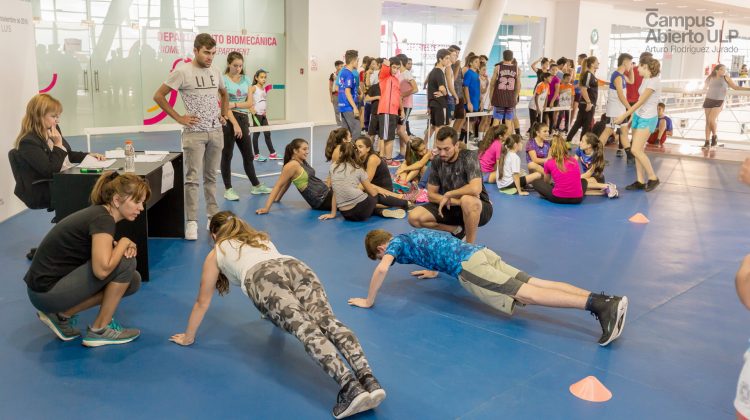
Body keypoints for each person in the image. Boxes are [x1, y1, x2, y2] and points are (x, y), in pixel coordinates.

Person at [170, 212, 386, 419]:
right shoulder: (259, 239)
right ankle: (369, 379)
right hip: (296, 266)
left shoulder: (217, 250)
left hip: (262, 278)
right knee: (328, 321)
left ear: (215, 234)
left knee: (307, 330)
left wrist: (188, 337)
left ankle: (351, 388)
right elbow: (279, 276)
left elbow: (202, 301)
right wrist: (271, 313)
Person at [353, 228, 629, 347]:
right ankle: (604, 299)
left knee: (527, 294)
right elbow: (442, 242)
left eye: (380, 253)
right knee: (534, 281)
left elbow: (381, 268)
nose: (384, 258)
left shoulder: (393, 246)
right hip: (481, 252)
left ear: (380, 247)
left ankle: (601, 308)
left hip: (471, 267)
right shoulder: (411, 236)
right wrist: (433, 268)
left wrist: (369, 300)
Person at [25, 172, 148, 346]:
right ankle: (100, 329)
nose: (141, 208)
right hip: (45, 293)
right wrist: (124, 242)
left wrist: (118, 246)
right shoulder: (103, 219)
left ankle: (61, 315)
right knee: (126, 262)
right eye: (136, 201)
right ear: (117, 200)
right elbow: (102, 270)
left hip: (43, 288)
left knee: (132, 280)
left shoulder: (100, 215)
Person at [153, 33, 235, 240]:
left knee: (211, 176)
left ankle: (212, 217)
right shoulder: (182, 71)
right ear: (196, 50)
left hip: (216, 131)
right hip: (194, 133)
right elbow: (159, 96)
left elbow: (224, 94)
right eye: (206, 53)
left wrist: (224, 114)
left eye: (213, 53)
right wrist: (179, 117)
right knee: (192, 179)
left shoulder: (216, 71)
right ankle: (191, 221)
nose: (210, 57)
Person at [13, 94, 105, 211]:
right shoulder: (28, 142)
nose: (58, 120)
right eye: (54, 116)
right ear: (38, 116)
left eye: (58, 116)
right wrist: (57, 144)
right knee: (97, 190)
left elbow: (67, 154)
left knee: (101, 184)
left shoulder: (52, 130)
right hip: (49, 187)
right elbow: (50, 171)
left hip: (65, 179)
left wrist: (88, 155)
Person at [407, 126, 492, 244]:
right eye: (439, 148)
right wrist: (456, 201)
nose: (442, 153)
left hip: (479, 207)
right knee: (414, 217)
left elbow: (475, 189)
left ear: (456, 145)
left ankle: (470, 246)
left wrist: (449, 194)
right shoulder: (437, 161)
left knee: (468, 200)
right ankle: (458, 230)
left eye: (446, 149)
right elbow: (431, 195)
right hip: (450, 205)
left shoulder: (469, 157)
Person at [220, 52, 271, 200]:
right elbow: (224, 106)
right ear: (229, 64)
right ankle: (228, 189)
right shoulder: (223, 80)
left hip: (243, 119)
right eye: (235, 65)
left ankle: (256, 186)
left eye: (240, 65)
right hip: (228, 121)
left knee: (248, 155)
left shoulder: (247, 79)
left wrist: (235, 104)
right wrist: (234, 123)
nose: (238, 68)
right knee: (227, 155)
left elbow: (249, 103)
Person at [321, 142, 410, 222]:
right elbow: (372, 193)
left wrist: (333, 214)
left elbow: (336, 192)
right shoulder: (358, 169)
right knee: (377, 196)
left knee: (367, 202)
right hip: (361, 213)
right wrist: (378, 191)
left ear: (340, 153)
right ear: (355, 154)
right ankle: (405, 203)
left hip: (346, 214)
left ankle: (380, 212)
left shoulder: (333, 167)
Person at [615, 57, 663, 192]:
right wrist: (632, 118)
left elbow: (641, 102)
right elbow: (639, 102)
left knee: (635, 149)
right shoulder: (645, 80)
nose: (637, 69)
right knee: (638, 151)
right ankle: (640, 181)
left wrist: (624, 116)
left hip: (648, 119)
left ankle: (653, 178)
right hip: (639, 116)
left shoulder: (654, 82)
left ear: (646, 67)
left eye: (640, 66)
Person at [256, 139, 332, 215]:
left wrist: (278, 198)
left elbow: (288, 182)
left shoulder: (302, 160)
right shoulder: (291, 165)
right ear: (295, 151)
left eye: (308, 149)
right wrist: (266, 208)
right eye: (304, 149)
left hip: (326, 192)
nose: (307, 151)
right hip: (320, 200)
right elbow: (278, 186)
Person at [702, 63, 750, 149]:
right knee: (707, 122)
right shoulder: (710, 77)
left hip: (719, 100)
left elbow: (736, 87)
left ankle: (715, 136)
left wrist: (748, 89)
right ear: (717, 70)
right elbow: (704, 88)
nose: (725, 71)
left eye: (725, 69)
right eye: (723, 69)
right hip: (708, 99)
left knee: (711, 119)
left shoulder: (726, 77)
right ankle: (707, 141)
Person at [531, 135, 587, 204]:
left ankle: (555, 192)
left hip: (559, 198)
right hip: (577, 199)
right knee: (584, 181)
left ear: (551, 149)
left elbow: (546, 181)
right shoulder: (573, 160)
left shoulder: (548, 162)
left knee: (536, 182)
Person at [599, 53, 634, 159]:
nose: (631, 64)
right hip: (614, 109)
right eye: (630, 62)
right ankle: (597, 155)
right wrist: (630, 108)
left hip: (620, 109)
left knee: (624, 131)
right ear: (625, 62)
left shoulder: (622, 76)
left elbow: (632, 81)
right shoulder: (617, 76)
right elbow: (620, 95)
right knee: (608, 131)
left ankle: (629, 156)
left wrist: (631, 69)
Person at [377, 57, 404, 164]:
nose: (395, 70)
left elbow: (398, 97)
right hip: (386, 111)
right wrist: (387, 64)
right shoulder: (384, 77)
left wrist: (401, 110)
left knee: (391, 137)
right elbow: (385, 67)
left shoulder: (396, 80)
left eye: (397, 68)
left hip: (393, 112)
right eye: (393, 67)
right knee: (385, 137)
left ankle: (388, 159)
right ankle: (384, 159)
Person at [566, 56, 600, 143]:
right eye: (597, 62)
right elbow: (583, 89)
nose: (598, 63)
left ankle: (569, 141)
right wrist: (588, 103)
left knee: (579, 124)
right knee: (586, 125)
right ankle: (582, 144)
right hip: (587, 104)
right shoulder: (588, 74)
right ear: (592, 64)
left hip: (588, 103)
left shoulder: (591, 75)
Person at [249, 69, 279, 160]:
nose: (264, 79)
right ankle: (256, 155)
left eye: (265, 77)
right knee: (256, 134)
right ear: (256, 78)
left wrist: (265, 111)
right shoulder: (253, 87)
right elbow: (247, 99)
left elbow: (262, 101)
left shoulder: (263, 88)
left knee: (267, 133)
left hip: (263, 115)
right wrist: (251, 110)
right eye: (262, 77)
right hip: (256, 115)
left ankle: (272, 154)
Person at [576, 133, 618, 198]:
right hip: (586, 178)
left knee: (577, 183)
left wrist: (574, 178)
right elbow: (573, 163)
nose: (580, 142)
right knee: (578, 191)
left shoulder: (595, 155)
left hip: (596, 179)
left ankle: (606, 186)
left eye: (582, 141)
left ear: (589, 145)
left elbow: (588, 174)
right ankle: (604, 191)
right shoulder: (580, 150)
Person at [490, 50, 520, 132]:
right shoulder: (517, 69)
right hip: (510, 99)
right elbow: (518, 86)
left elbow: (492, 83)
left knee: (496, 121)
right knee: (509, 122)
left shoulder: (498, 67)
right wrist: (515, 97)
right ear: (512, 58)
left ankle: (493, 141)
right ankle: (508, 142)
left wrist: (491, 98)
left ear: (503, 57)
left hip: (499, 99)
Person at [427, 49, 451, 140]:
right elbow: (442, 88)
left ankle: (430, 149)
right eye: (446, 58)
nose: (448, 60)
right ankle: (437, 151)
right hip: (440, 104)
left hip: (434, 104)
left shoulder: (433, 71)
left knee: (435, 128)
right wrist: (445, 94)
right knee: (440, 130)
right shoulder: (439, 71)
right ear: (440, 59)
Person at [397, 55, 417, 155]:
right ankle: (402, 152)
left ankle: (414, 150)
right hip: (399, 105)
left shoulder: (407, 74)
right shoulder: (398, 73)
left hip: (406, 105)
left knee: (400, 130)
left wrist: (402, 95)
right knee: (400, 130)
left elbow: (415, 88)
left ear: (400, 61)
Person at [338, 50, 361, 135]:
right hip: (348, 107)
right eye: (357, 61)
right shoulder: (349, 74)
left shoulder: (343, 72)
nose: (358, 63)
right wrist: (354, 107)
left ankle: (343, 148)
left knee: (345, 133)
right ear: (353, 61)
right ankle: (353, 148)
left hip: (343, 106)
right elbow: (347, 92)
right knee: (357, 130)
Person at [330, 60, 344, 126]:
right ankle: (339, 124)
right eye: (341, 66)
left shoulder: (344, 74)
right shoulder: (333, 75)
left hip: (342, 95)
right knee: (337, 111)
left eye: (343, 66)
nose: (342, 67)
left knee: (343, 110)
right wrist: (331, 97)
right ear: (336, 67)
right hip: (335, 95)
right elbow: (330, 86)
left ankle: (344, 124)